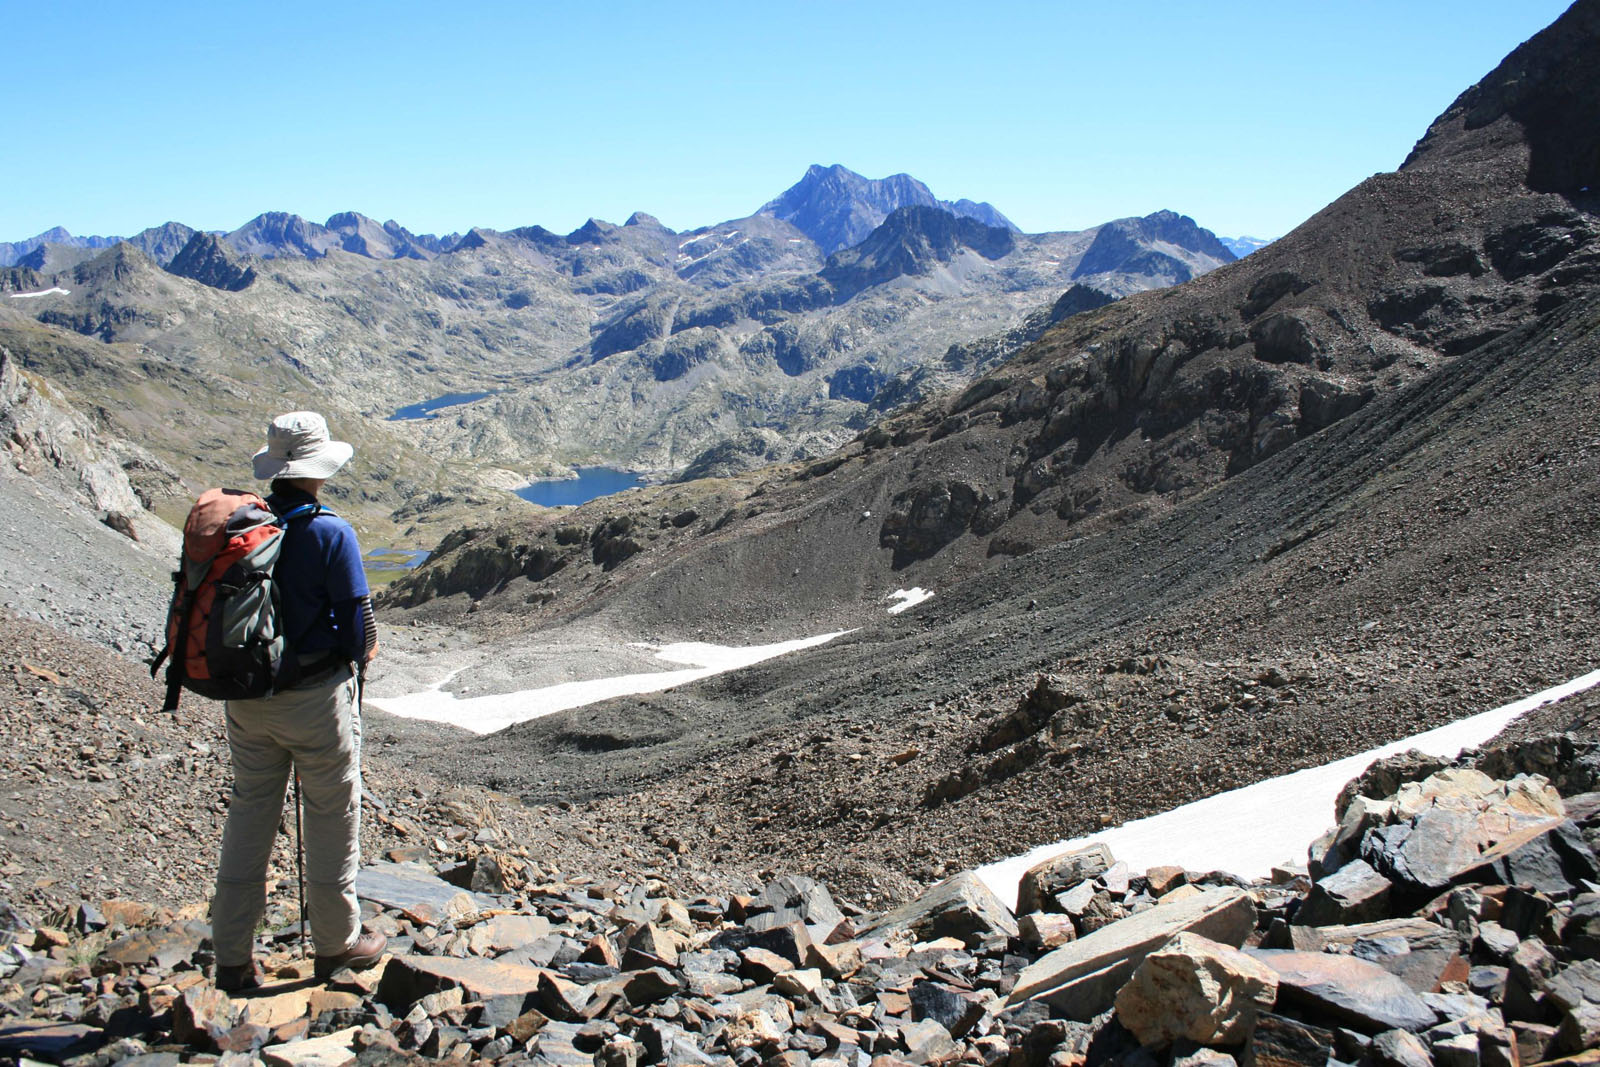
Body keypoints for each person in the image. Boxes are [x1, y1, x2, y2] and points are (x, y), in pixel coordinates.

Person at [211, 411, 385, 991]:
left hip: (247, 696)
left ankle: (232, 957)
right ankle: (338, 945)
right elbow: (358, 620)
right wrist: (361, 656)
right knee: (332, 814)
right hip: (315, 698)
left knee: (250, 814)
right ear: (318, 469)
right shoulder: (330, 531)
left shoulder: (245, 527)